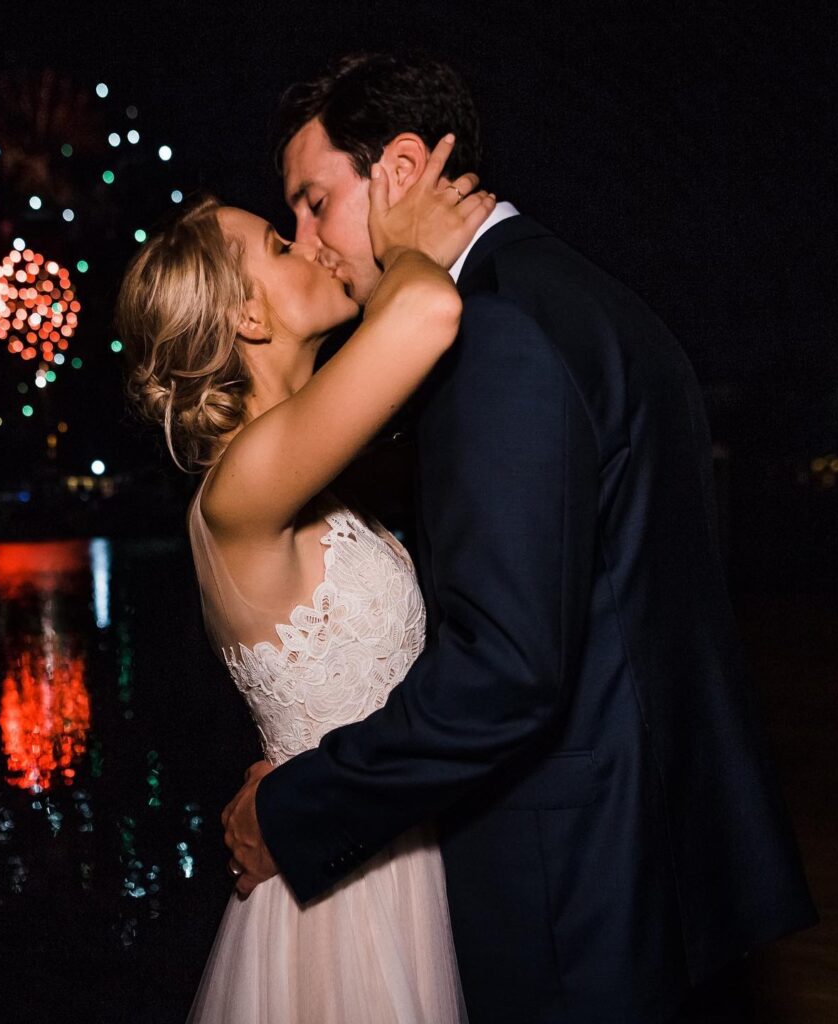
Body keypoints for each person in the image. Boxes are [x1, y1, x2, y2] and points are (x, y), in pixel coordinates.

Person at [221, 52, 818, 1023]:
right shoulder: (571, 293)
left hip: (568, 886)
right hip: (642, 849)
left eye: (313, 202)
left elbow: (505, 666)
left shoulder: (500, 332)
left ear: (401, 168)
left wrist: (297, 808)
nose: (309, 238)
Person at [116, 137, 496, 1022]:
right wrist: (406, 235)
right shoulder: (241, 484)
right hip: (346, 906)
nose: (314, 242)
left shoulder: (304, 472)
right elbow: (428, 313)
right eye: (282, 248)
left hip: (374, 841)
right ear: (248, 317)